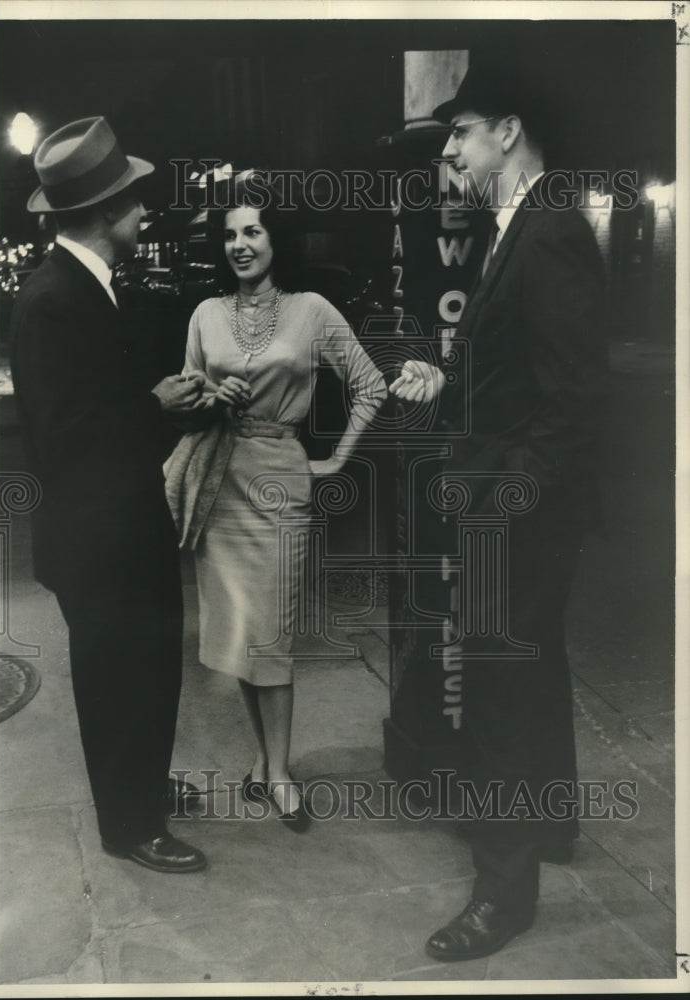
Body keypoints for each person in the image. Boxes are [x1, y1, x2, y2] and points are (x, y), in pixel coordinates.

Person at [390, 60, 606, 958]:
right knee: (534, 670)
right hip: (519, 504)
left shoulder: (546, 230)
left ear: (507, 133)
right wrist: (448, 379)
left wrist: (506, 504)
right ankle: (550, 826)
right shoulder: (520, 224)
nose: (451, 150)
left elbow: (570, 406)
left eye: (462, 131)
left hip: (516, 516)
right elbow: (521, 378)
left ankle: (503, 894)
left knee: (499, 692)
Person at [10, 116, 207, 874]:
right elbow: (66, 439)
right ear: (103, 215)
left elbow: (97, 408)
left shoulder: (82, 288)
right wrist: (155, 405)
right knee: (119, 677)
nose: (144, 213)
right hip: (100, 541)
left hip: (118, 529)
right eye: (134, 202)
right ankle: (130, 826)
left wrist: (168, 401)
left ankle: (144, 787)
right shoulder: (54, 299)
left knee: (148, 666)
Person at [165, 175, 387, 830]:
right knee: (240, 636)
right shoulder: (206, 314)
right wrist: (210, 396)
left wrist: (337, 458)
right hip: (220, 484)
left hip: (281, 481)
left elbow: (370, 385)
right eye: (230, 234)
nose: (240, 244)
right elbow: (184, 401)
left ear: (275, 239)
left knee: (275, 633)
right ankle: (265, 762)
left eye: (253, 231)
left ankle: (280, 771)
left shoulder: (312, 310)